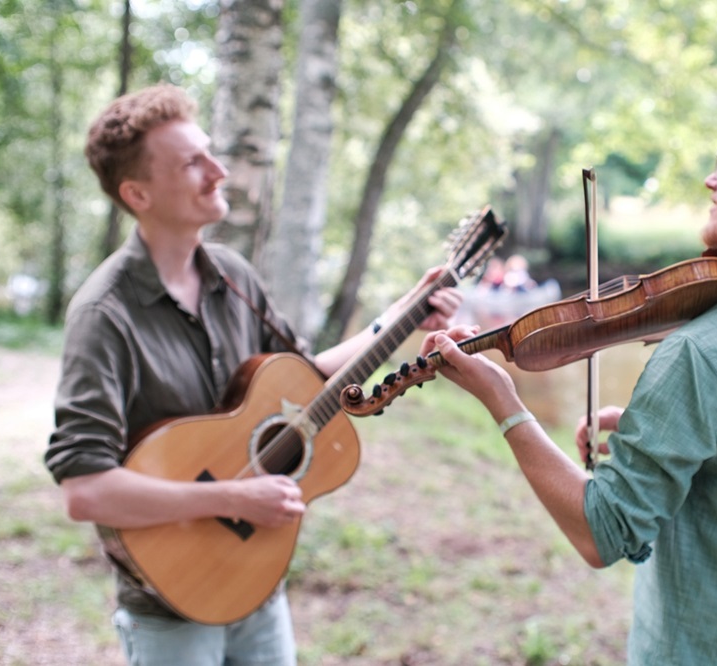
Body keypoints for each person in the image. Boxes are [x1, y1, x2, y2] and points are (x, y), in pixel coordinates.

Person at [421, 99, 717, 663]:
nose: (712, 178)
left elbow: (600, 532)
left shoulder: (702, 352)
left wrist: (506, 405)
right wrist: (672, 437)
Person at [44, 83, 462, 665]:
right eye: (193, 162)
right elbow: (86, 491)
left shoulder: (232, 274)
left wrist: (402, 315)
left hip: (257, 575)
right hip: (172, 600)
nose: (219, 171)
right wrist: (235, 495)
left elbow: (300, 379)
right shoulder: (103, 315)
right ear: (137, 192)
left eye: (211, 153)